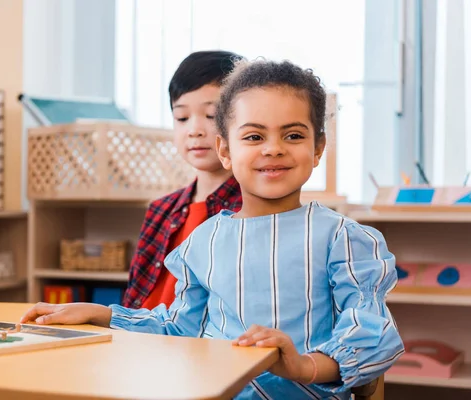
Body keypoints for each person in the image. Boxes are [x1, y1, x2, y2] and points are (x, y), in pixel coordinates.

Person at [21, 59, 404, 399]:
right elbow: (178, 326)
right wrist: (100, 313)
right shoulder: (202, 241)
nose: (273, 148)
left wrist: (303, 366)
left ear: (318, 148)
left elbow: (370, 332)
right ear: (225, 150)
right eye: (254, 136)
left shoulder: (344, 238)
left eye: (293, 135)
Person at [122, 50, 244, 310]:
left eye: (212, 116)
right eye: (182, 118)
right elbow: (133, 300)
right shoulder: (160, 210)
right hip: (138, 341)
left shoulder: (250, 210)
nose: (194, 130)